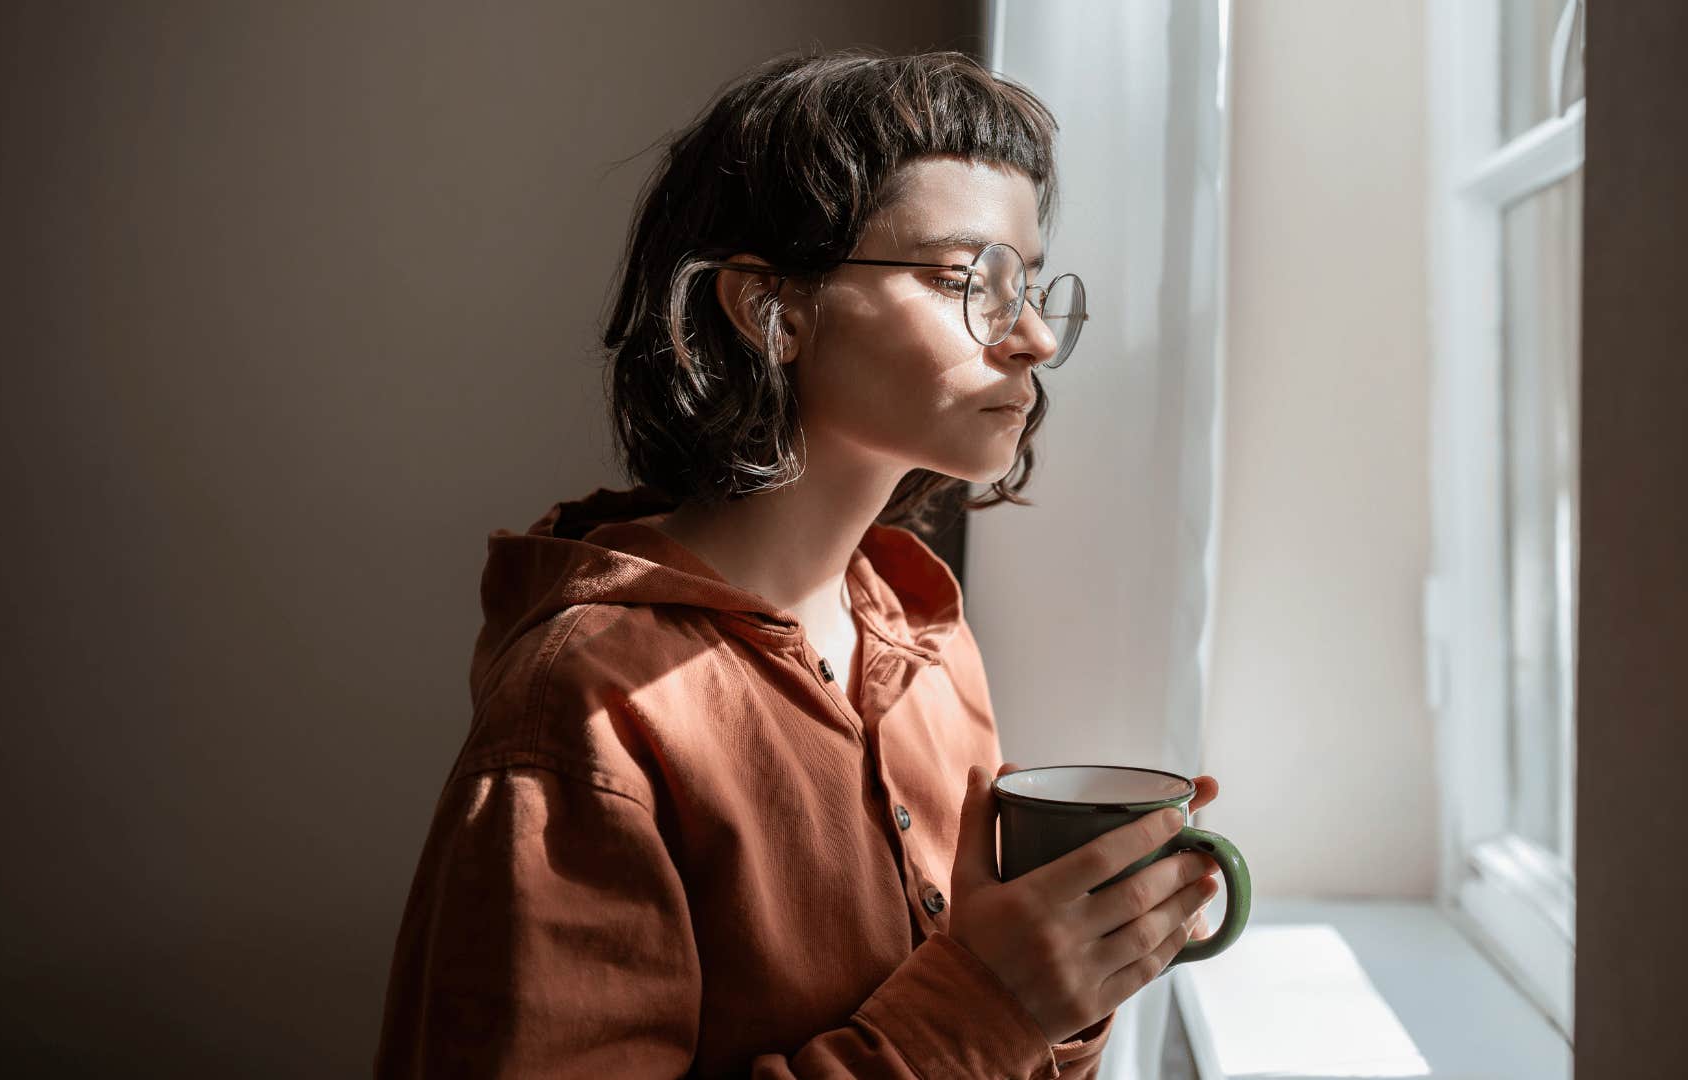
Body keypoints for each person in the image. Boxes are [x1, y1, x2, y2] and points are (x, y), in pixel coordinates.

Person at [374, 47, 1223, 1078]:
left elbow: (992, 1041)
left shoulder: (922, 637)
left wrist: (1063, 988)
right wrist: (988, 1007)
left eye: (1032, 283)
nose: (1035, 337)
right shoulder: (586, 708)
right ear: (769, 308)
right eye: (967, 280)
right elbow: (969, 1028)